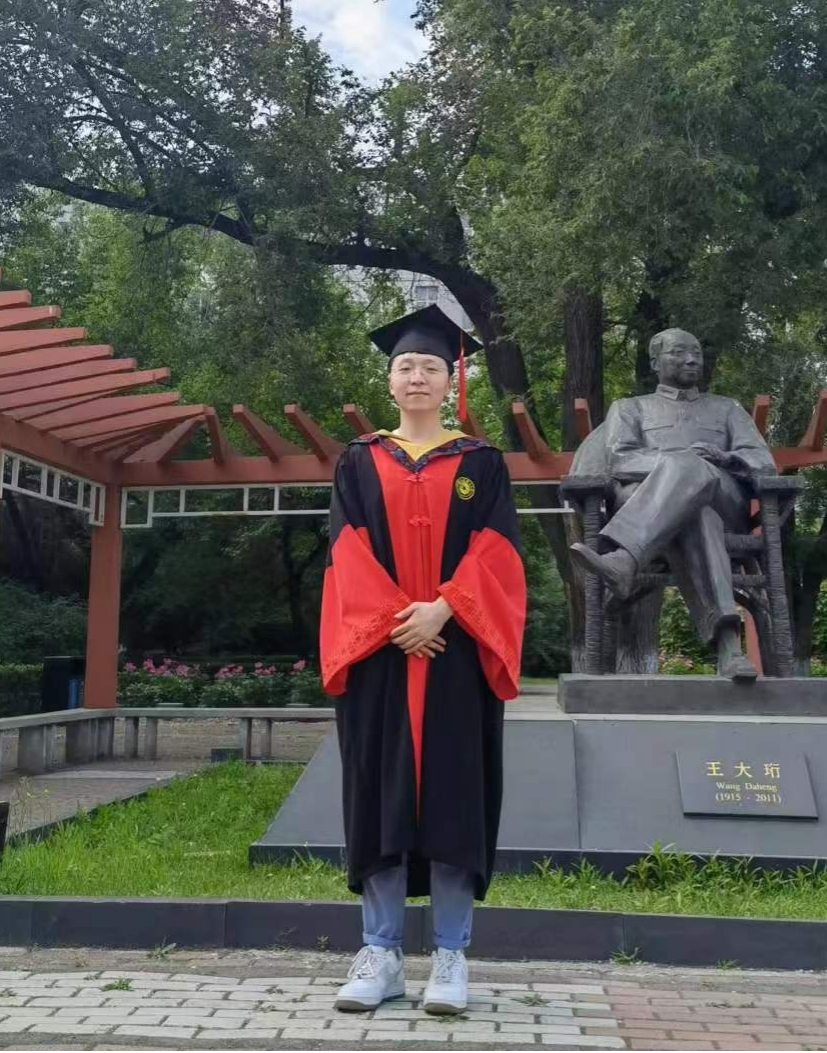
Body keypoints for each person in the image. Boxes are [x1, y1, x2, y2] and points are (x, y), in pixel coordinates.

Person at [319, 304, 526, 1015]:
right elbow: (345, 551)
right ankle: (379, 955)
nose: (416, 377)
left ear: (450, 380)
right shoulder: (358, 461)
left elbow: (498, 553)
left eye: (429, 367)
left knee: (453, 799)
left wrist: (443, 608)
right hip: (379, 655)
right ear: (389, 380)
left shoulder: (482, 464)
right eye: (405, 366)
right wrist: (394, 621)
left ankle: (450, 957)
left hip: (455, 654)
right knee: (378, 797)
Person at [568, 327, 776, 680]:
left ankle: (625, 558)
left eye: (696, 353)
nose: (691, 359)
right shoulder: (630, 408)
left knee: (696, 478)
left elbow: (763, 463)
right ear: (655, 362)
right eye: (679, 353)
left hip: (724, 500)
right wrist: (680, 464)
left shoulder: (727, 409)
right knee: (697, 511)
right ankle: (730, 649)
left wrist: (724, 459)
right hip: (661, 507)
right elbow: (620, 460)